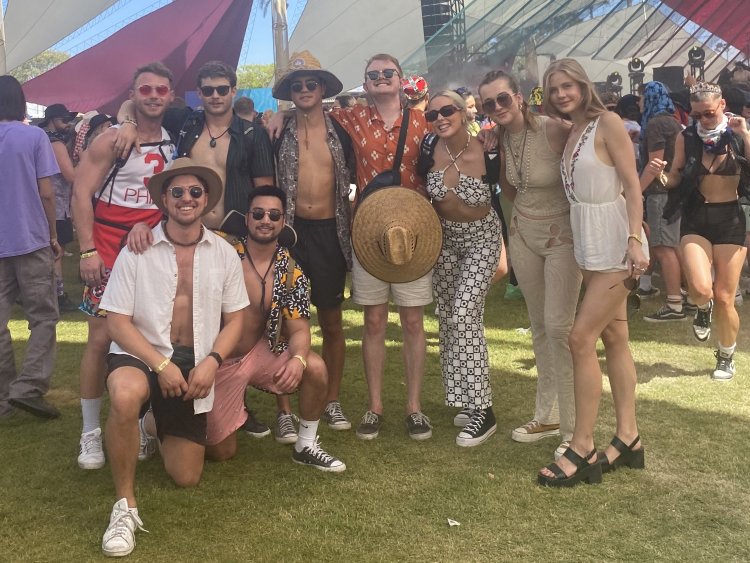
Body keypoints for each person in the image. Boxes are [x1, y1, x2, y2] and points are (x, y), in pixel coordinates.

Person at [270, 54, 432, 440]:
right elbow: (307, 112)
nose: (306, 90)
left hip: (405, 232)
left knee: (404, 321)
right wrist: (277, 116)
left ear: (400, 78)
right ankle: (362, 407)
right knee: (357, 321)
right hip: (357, 232)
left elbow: (456, 136)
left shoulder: (424, 124)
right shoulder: (350, 120)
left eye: (386, 73)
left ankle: (407, 407)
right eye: (372, 75)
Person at [97, 158, 247, 557]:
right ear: (164, 198)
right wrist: (160, 365)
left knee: (186, 477)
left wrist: (212, 361)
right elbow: (117, 322)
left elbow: (235, 320)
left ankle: (149, 426)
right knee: (126, 394)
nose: (186, 198)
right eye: (177, 191)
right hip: (140, 353)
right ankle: (124, 507)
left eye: (194, 192)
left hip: (195, 361)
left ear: (206, 200)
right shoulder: (138, 247)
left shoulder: (224, 253)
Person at [117, 60, 275, 438]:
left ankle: (232, 402)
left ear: (235, 92)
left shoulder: (252, 134)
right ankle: (160, 399)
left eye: (223, 89)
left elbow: (264, 187)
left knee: (241, 319)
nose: (216, 96)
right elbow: (134, 106)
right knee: (182, 314)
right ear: (198, 94)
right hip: (186, 232)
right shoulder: (184, 123)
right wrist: (124, 121)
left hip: (235, 237)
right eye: (208, 90)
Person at [538, 59, 649, 487]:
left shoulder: (609, 122)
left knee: (580, 338)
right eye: (554, 89)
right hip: (588, 242)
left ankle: (582, 446)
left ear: (584, 86)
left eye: (568, 85)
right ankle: (628, 438)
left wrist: (635, 238)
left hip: (614, 242)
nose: (562, 94)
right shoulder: (572, 131)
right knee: (615, 337)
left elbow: (632, 185)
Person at [71, 61, 176, 470]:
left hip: (149, 249)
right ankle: (89, 433)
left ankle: (143, 422)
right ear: (133, 94)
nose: (153, 96)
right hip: (107, 249)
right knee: (100, 338)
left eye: (160, 90)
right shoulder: (112, 139)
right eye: (144, 89)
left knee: (149, 334)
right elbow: (81, 193)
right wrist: (86, 250)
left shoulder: (174, 137)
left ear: (170, 95)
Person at [478, 70, 580, 459]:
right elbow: (508, 186)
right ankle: (547, 415)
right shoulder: (499, 137)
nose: (497, 107)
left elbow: (593, 152)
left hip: (562, 237)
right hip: (523, 233)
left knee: (560, 328)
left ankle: (574, 430)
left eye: (503, 99)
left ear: (518, 97)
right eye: (489, 103)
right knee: (539, 326)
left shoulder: (556, 129)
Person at [208, 186, 346, 471]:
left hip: (259, 351)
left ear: (283, 222)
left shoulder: (291, 270)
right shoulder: (220, 250)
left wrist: (297, 360)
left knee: (315, 367)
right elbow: (183, 232)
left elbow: (298, 330)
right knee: (221, 452)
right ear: (246, 218)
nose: (265, 220)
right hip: (215, 359)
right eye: (258, 213)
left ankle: (306, 444)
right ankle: (158, 420)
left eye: (274, 215)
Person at [272, 52, 354, 434]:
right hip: (289, 233)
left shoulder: (342, 131)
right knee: (285, 323)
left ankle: (332, 399)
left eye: (310, 84)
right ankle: (284, 408)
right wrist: (277, 117)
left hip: (329, 233)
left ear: (322, 88)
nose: (303, 90)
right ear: (289, 92)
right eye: (296, 85)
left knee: (332, 321)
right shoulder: (275, 131)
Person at [420, 90, 504, 446]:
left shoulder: (488, 148)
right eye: (433, 113)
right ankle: (464, 399)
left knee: (465, 314)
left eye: (448, 110)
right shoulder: (427, 148)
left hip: (482, 238)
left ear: (465, 112)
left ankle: (484, 410)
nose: (440, 117)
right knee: (447, 318)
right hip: (445, 242)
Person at [663, 81, 750, 381]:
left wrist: (746, 136)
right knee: (701, 289)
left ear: (723, 105)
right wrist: (659, 177)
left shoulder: (739, 133)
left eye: (708, 114)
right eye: (696, 115)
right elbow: (674, 177)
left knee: (726, 296)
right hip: (695, 218)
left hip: (731, 219)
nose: (701, 120)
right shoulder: (686, 137)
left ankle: (726, 355)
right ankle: (702, 307)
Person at [0, 75, 62, 420]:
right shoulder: (34, 136)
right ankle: (29, 386)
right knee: (43, 317)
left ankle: (5, 398)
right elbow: (47, 193)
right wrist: (53, 235)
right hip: (30, 237)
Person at [637, 81, 686, 322]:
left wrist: (636, 191)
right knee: (673, 246)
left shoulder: (656, 124)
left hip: (659, 191)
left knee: (662, 248)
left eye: (642, 97)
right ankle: (688, 297)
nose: (639, 102)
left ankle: (674, 304)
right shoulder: (673, 121)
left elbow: (655, 164)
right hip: (674, 191)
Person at [40, 103, 78, 313]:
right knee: (57, 251)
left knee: (50, 251)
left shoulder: (41, 139)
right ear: (52, 120)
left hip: (49, 203)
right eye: (64, 120)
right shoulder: (55, 143)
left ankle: (47, 293)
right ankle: (57, 294)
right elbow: (71, 176)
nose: (68, 124)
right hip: (56, 203)